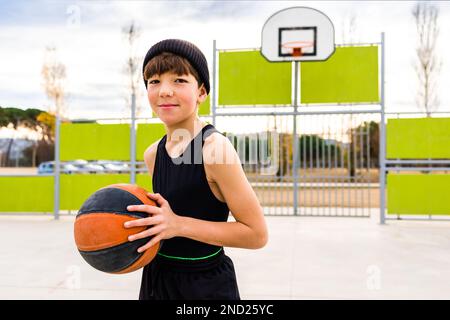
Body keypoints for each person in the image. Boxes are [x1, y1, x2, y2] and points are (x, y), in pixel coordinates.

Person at [124, 39, 268, 300]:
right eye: (154, 81)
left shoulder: (214, 149)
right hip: (157, 278)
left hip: (204, 285)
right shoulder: (153, 154)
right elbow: (163, 224)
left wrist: (178, 225)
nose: (165, 90)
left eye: (179, 80)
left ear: (201, 92)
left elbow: (256, 234)